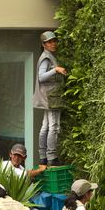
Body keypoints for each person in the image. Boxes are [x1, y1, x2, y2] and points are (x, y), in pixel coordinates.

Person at [32, 31, 68, 167]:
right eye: (49, 42)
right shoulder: (46, 58)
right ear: (43, 44)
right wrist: (56, 70)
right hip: (51, 97)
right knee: (54, 126)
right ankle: (52, 157)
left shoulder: (47, 56)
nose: (53, 44)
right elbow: (41, 77)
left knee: (45, 126)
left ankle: (43, 157)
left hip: (49, 96)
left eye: (54, 41)